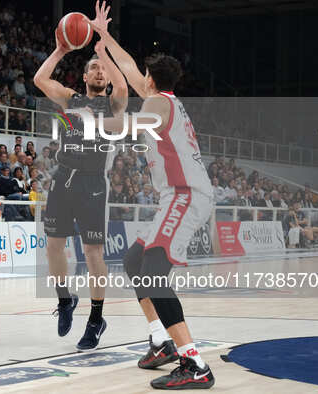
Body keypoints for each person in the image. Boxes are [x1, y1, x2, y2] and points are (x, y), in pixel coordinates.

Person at [87, 2, 215, 388]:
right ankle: (162, 341)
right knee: (134, 260)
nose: (137, 75)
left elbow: (130, 123)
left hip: (185, 194)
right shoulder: (163, 96)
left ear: (150, 80)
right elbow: (127, 66)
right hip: (173, 197)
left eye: (142, 74)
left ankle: (195, 364)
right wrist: (104, 39)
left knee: (154, 271)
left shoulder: (158, 103)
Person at [33, 5, 128, 351]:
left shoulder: (114, 105)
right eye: (93, 68)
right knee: (54, 247)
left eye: (102, 69)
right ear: (85, 78)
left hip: (92, 183)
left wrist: (103, 46)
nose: (99, 72)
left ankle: (96, 318)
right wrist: (61, 48)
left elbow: (123, 85)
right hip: (63, 178)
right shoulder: (71, 99)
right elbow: (40, 80)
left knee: (92, 253)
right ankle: (65, 299)